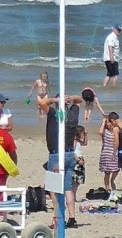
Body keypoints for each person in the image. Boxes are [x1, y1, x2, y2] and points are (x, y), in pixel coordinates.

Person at [44, 95, 81, 230]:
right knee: (67, 188)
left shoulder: (54, 113)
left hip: (56, 154)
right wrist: (71, 98)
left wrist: (55, 100)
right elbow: (79, 100)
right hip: (70, 153)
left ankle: (57, 217)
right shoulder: (72, 114)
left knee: (54, 189)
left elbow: (41, 103)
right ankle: (72, 217)